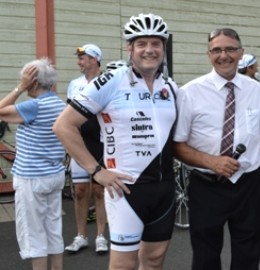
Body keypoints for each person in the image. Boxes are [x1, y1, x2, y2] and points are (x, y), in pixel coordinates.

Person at [53, 13, 178, 269]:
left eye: (156, 43)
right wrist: (96, 171)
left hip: (164, 188)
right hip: (125, 190)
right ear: (129, 47)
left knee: (154, 260)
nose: (149, 50)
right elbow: (64, 126)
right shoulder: (111, 80)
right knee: (123, 264)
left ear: (164, 48)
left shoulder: (171, 87)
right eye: (141, 43)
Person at [173, 28, 260, 270]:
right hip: (206, 185)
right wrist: (211, 161)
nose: (224, 55)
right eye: (217, 50)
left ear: (241, 53)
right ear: (208, 54)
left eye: (231, 49)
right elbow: (176, 146)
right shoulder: (190, 92)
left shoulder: (257, 90)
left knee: (249, 253)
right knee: (205, 256)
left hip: (248, 184)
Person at [0, 58, 66, 269]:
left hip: (32, 178)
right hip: (54, 174)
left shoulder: (34, 106)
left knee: (34, 233)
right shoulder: (60, 104)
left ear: (33, 82)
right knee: (53, 229)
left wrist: (20, 87)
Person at [64, 44, 108, 255]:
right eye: (79, 58)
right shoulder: (74, 84)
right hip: (79, 143)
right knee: (80, 192)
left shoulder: (107, 81)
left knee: (100, 191)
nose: (79, 62)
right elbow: (68, 115)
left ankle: (101, 236)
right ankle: (81, 235)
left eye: (83, 58)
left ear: (94, 59)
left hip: (102, 143)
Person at [237, 53, 260, 199]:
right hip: (251, 134)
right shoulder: (256, 87)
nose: (257, 67)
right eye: (255, 65)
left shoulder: (251, 84)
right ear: (250, 68)